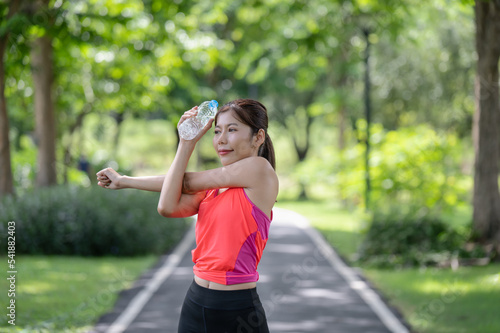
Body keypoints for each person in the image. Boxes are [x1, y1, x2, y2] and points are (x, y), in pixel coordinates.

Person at [96, 99, 279, 332]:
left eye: (232, 130)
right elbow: (167, 206)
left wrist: (127, 181)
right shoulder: (212, 189)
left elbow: (187, 181)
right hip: (195, 302)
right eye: (216, 131)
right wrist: (185, 142)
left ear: (258, 137)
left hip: (237, 310)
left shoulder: (260, 170)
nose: (221, 139)